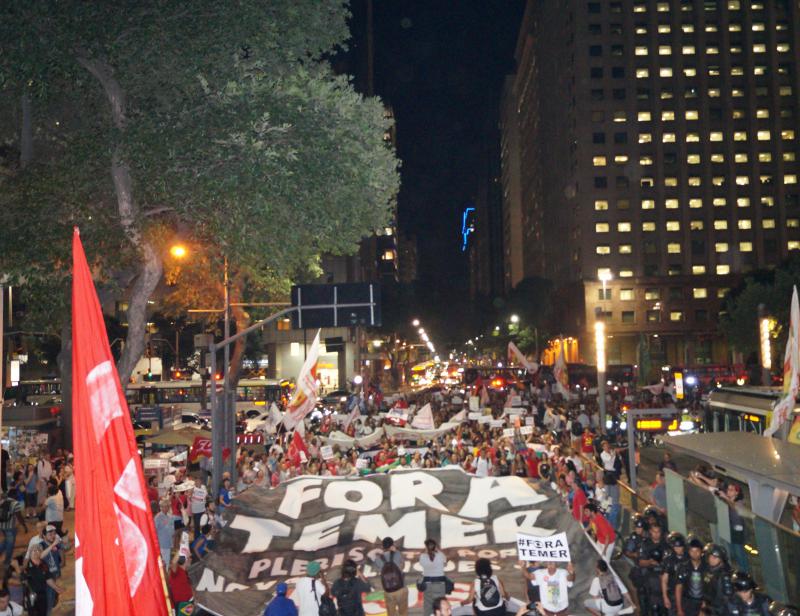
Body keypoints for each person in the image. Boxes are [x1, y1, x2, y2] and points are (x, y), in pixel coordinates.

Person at [371, 537, 407, 616]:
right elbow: (403, 566)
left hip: (388, 590)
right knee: (403, 612)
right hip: (401, 588)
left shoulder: (378, 559)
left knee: (391, 613)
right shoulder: (397, 554)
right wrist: (396, 551)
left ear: (382, 547)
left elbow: (379, 570)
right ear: (392, 545)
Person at [24, 546, 63, 616]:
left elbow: (48, 578)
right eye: (33, 551)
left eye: (37, 550)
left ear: (40, 553)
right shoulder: (26, 565)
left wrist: (56, 588)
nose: (36, 552)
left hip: (43, 594)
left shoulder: (43, 564)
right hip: (32, 595)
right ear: (30, 553)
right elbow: (23, 579)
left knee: (43, 613)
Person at [675, 536, 707, 616]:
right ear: (688, 552)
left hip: (703, 604)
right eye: (692, 551)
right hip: (688, 604)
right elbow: (678, 588)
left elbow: (710, 589)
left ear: (701, 552)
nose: (694, 553)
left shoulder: (707, 567)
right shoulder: (683, 567)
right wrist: (679, 609)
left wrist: (705, 605)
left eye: (697, 551)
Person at [417, 539, 448, 616]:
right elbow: (445, 562)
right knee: (440, 606)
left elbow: (422, 563)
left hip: (427, 584)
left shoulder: (422, 556)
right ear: (435, 546)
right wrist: (438, 551)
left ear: (426, 547)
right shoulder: (441, 555)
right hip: (439, 584)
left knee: (428, 607)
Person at [661, 532, 688, 614]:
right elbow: (664, 580)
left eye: (680, 547)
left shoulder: (688, 558)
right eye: (676, 547)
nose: (678, 549)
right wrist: (665, 596)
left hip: (687, 594)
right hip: (672, 593)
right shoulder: (669, 560)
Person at [0, 491, 28, 566]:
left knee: (6, 541)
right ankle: (7, 562)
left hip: (2, 526)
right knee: (10, 545)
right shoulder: (15, 503)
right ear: (15, 495)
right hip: (10, 528)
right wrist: (24, 526)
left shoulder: (2, 501)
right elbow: (19, 517)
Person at [154, 499, 175, 567]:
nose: (165, 508)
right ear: (160, 507)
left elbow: (172, 530)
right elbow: (154, 531)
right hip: (161, 544)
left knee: (167, 562)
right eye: (163, 506)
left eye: (167, 506)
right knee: (163, 563)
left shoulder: (170, 516)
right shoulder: (158, 517)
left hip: (168, 543)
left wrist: (172, 543)